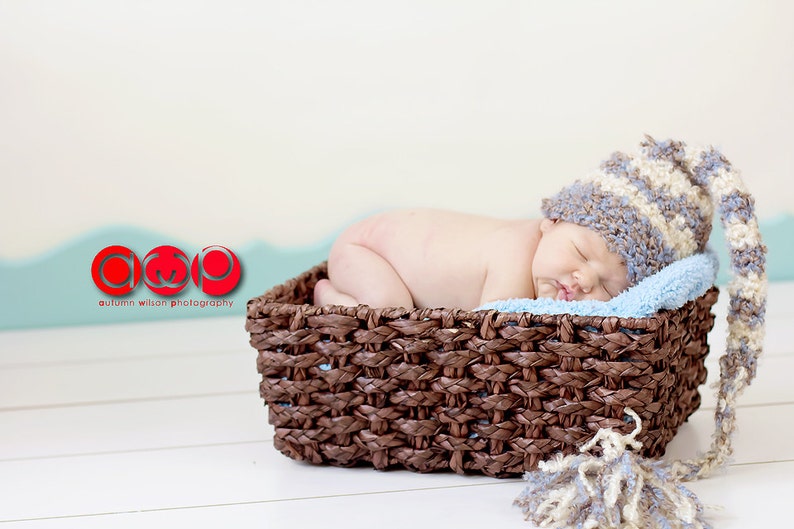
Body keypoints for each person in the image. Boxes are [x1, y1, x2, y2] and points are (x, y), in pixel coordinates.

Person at [312, 209, 630, 310]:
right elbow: (489, 338)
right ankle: (330, 299)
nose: (586, 281)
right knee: (388, 308)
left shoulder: (543, 253)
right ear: (551, 222)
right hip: (364, 250)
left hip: (377, 244)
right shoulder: (516, 261)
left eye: (609, 289)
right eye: (580, 253)